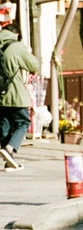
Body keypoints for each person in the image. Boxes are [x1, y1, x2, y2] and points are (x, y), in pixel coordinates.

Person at [0, 12, 38, 171]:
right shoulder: (16, 47)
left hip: (0, 96)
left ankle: (9, 160)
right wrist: (26, 51)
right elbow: (34, 65)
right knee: (23, 122)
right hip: (14, 94)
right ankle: (10, 149)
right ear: (16, 34)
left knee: (5, 125)